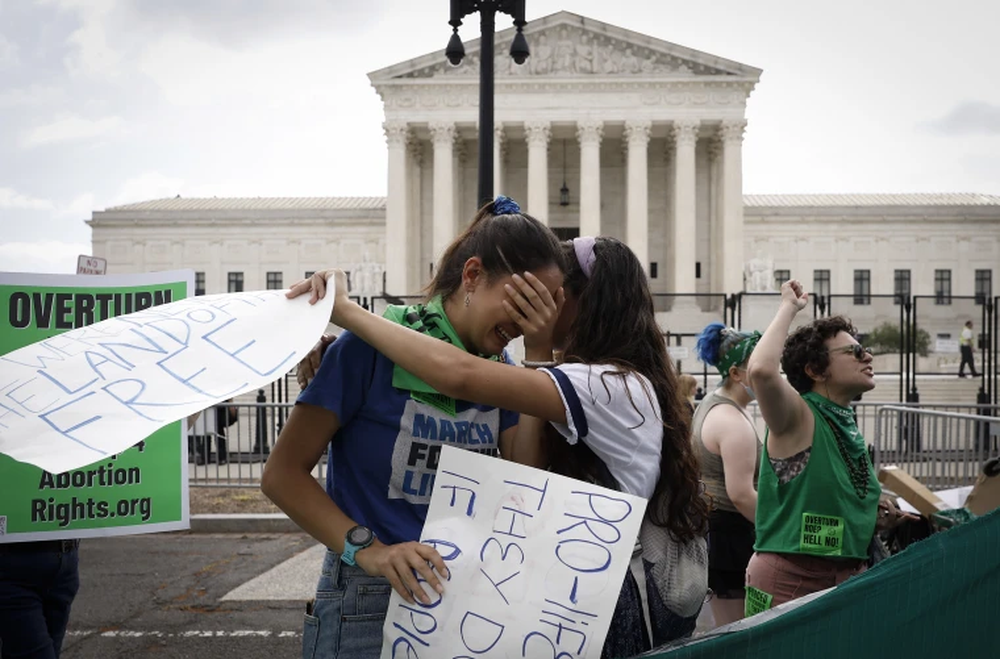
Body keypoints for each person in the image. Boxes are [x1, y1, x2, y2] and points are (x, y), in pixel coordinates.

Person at [295, 235, 710, 657]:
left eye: (549, 295)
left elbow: (458, 375)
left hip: (589, 607)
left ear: (582, 303)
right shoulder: (575, 380)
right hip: (537, 603)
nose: (533, 308)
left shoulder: (607, 384)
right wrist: (349, 348)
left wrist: (348, 314)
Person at [260, 196, 566, 659]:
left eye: (541, 311)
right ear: (471, 276)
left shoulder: (500, 368)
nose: (525, 324)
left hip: (463, 596)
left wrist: (540, 351)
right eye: (523, 303)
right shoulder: (364, 350)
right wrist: (371, 552)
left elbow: (526, 470)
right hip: (369, 597)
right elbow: (281, 475)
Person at [744, 279, 881, 613]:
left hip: (846, 579)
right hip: (793, 582)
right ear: (815, 370)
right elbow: (761, 371)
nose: (868, 356)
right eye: (855, 351)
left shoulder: (842, 420)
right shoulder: (800, 415)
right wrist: (789, 307)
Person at [692, 322, 762, 626]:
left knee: (732, 631)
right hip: (731, 537)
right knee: (738, 634)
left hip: (722, 533)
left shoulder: (714, 404)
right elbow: (742, 495)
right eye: (759, 365)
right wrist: (785, 531)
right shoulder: (731, 420)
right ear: (736, 373)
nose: (769, 371)